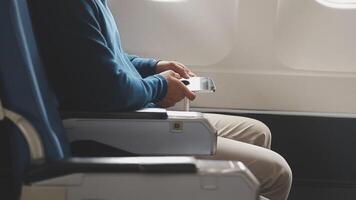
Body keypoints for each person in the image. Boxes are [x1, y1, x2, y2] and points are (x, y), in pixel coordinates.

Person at [29, 0, 292, 199]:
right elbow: (110, 90)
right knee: (277, 172)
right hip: (107, 129)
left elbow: (107, 58)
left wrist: (152, 66)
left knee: (258, 133)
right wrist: (159, 87)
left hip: (129, 114)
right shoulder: (64, 5)